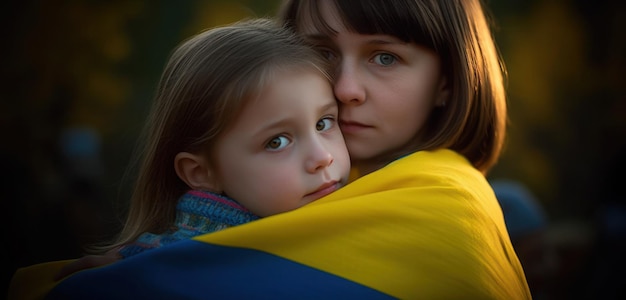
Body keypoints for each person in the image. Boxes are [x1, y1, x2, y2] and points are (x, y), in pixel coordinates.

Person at [10, 1, 532, 299]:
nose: (346, 87)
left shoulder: (447, 209)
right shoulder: (211, 227)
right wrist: (150, 267)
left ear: (447, 80)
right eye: (322, 53)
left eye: (385, 58)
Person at [8, 17, 351, 299]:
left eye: (324, 123)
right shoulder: (161, 275)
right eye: (277, 141)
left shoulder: (363, 208)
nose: (322, 157)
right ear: (201, 172)